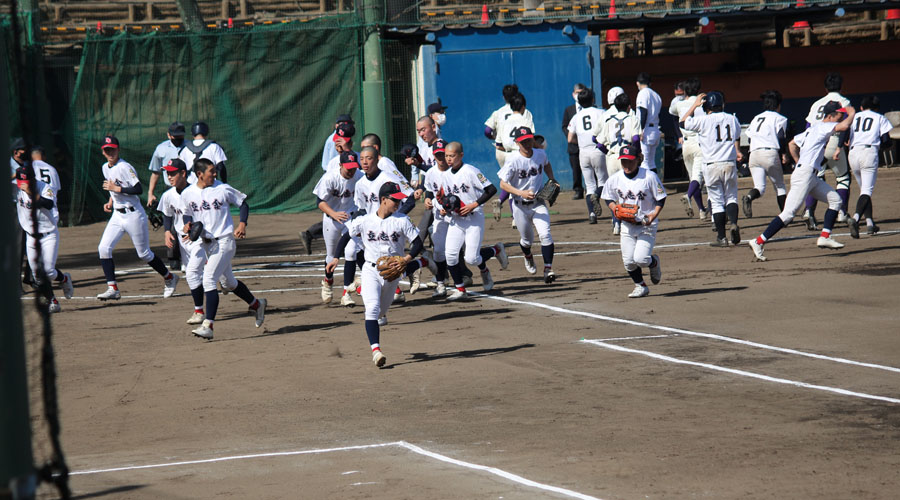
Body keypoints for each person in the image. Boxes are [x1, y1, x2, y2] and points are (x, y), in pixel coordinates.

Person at [326, 182, 436, 368]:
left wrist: (407, 258)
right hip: (370, 270)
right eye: (395, 200)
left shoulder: (402, 220)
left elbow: (417, 242)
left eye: (400, 200)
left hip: (393, 274)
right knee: (372, 308)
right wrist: (336, 257)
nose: (398, 204)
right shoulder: (365, 220)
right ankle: (376, 351)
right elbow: (346, 236)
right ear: (383, 200)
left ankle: (417, 265)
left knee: (381, 312)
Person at [748, 102, 855, 261]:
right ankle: (758, 241)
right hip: (805, 174)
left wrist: (799, 162)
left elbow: (792, 144)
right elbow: (844, 127)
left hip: (809, 174)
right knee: (788, 214)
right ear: (830, 115)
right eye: (839, 114)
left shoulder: (812, 129)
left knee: (835, 200)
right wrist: (851, 112)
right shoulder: (823, 127)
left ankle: (825, 236)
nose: (841, 117)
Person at [181, 158, 266, 339]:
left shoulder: (222, 188)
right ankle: (257, 305)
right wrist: (187, 226)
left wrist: (242, 224)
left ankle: (208, 326)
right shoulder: (188, 193)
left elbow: (243, 203)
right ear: (199, 174)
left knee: (209, 279)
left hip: (225, 241)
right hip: (207, 244)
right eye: (211, 171)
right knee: (229, 283)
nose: (215, 173)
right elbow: (186, 215)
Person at [442, 141, 507, 300]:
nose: (449, 159)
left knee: (471, 258)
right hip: (456, 220)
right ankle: (460, 289)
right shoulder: (446, 175)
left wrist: (474, 204)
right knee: (450, 255)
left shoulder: (470, 171)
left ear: (461, 155)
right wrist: (445, 208)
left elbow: (491, 189)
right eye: (446, 156)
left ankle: (495, 251)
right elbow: (447, 198)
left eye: (452, 156)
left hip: (474, 218)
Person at [355, 144, 416, 304]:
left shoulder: (389, 177)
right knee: (352, 251)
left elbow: (410, 197)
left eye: (368, 158)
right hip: (370, 225)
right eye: (362, 159)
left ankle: (410, 270)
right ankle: (362, 286)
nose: (365, 162)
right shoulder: (360, 183)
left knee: (392, 259)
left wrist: (398, 217)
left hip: (390, 225)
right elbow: (361, 209)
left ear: (377, 159)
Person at [680, 91, 743, 247]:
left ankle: (721, 238)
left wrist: (694, 105)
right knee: (731, 197)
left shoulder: (703, 120)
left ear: (707, 105)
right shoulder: (732, 118)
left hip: (711, 165)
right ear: (722, 104)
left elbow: (682, 123)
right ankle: (733, 223)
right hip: (729, 162)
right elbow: (736, 136)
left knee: (716, 201)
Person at [602, 144, 665, 298]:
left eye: (630, 161)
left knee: (641, 259)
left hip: (646, 224)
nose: (627, 165)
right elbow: (608, 197)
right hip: (627, 225)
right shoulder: (615, 178)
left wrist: (653, 216)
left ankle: (653, 263)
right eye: (624, 161)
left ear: (638, 159)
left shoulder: (649, 176)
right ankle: (641, 286)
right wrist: (615, 208)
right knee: (629, 261)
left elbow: (661, 198)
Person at [498, 126, 556, 283]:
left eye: (529, 140)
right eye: (523, 141)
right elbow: (503, 184)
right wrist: (520, 192)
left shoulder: (540, 154)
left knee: (545, 234)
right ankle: (528, 255)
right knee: (527, 240)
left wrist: (552, 178)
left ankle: (548, 269)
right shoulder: (513, 160)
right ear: (517, 142)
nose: (527, 143)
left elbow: (547, 163)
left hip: (538, 203)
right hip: (519, 205)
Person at [14, 166, 74, 312]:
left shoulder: (44, 188)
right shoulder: (15, 188)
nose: (23, 184)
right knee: (37, 275)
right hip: (30, 237)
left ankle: (64, 279)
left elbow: (48, 204)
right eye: (20, 181)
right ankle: (52, 301)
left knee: (48, 271)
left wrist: (30, 192)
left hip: (48, 235)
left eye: (26, 181)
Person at [158, 158, 208, 324]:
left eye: (173, 173)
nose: (169, 176)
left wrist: (192, 226)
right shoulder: (168, 195)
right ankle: (201, 306)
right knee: (191, 273)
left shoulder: (195, 192)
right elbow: (167, 214)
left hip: (198, 238)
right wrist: (166, 232)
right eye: (167, 173)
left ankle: (199, 310)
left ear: (183, 173)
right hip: (182, 239)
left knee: (196, 273)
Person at [803, 72, 852, 228]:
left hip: (817, 146)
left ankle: (808, 212)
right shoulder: (844, 102)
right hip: (833, 142)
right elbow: (845, 126)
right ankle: (841, 213)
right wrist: (840, 146)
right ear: (841, 86)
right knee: (843, 178)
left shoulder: (817, 103)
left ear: (825, 88)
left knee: (815, 179)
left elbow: (808, 127)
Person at [313, 150, 363, 305]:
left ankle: (347, 292)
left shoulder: (359, 176)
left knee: (351, 250)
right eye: (348, 167)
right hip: (331, 219)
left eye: (354, 167)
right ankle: (328, 282)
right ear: (341, 165)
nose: (351, 170)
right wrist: (333, 214)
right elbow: (320, 202)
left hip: (350, 218)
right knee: (331, 256)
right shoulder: (330, 177)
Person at [300, 122, 357, 255]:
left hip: (354, 213)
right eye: (337, 141)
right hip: (334, 212)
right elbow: (322, 197)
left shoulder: (359, 158)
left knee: (354, 251)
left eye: (342, 141)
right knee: (333, 254)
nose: (338, 144)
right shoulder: (333, 164)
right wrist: (332, 212)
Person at [594, 92, 641, 235]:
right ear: (628, 107)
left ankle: (616, 222)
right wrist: (637, 154)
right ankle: (630, 220)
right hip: (627, 157)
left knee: (614, 192)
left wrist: (608, 151)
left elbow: (596, 141)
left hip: (613, 158)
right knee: (630, 189)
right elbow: (636, 139)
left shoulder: (609, 121)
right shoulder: (632, 118)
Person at [846, 96, 893, 238]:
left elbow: (845, 133)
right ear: (877, 108)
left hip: (853, 153)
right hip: (868, 152)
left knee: (864, 191)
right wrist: (882, 147)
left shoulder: (855, 117)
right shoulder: (879, 117)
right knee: (866, 191)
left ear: (861, 107)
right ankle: (855, 218)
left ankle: (870, 223)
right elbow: (886, 140)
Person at [742, 90, 789, 218]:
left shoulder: (756, 118)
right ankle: (785, 216)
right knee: (779, 186)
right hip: (769, 152)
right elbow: (781, 137)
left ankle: (749, 197)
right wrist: (784, 153)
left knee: (759, 187)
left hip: (754, 153)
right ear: (778, 105)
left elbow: (749, 138)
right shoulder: (780, 118)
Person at [418, 139, 452, 297]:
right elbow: (430, 191)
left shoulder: (456, 170)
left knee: (466, 254)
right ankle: (441, 283)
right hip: (439, 217)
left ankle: (493, 253)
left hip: (459, 217)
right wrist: (427, 198)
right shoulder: (431, 172)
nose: (440, 158)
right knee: (438, 251)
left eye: (442, 154)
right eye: (437, 154)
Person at [567, 88, 606, 223]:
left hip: (583, 152)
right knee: (602, 181)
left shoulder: (576, 117)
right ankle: (597, 196)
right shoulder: (601, 112)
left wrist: (582, 141)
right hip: (598, 150)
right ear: (593, 100)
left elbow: (570, 138)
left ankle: (592, 215)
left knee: (589, 185)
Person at [670, 78, 707, 220]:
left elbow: (672, 113)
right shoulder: (702, 104)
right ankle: (688, 195)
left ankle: (702, 210)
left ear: (685, 91)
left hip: (686, 145)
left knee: (693, 179)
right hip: (699, 144)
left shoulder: (679, 105)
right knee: (698, 178)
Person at [486, 84, 535, 168]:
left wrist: (494, 137)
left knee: (506, 177)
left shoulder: (498, 112)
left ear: (504, 97)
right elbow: (530, 135)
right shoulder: (526, 112)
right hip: (521, 150)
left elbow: (487, 131)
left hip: (503, 151)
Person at [147, 121, 186, 207]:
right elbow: (155, 172)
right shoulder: (161, 149)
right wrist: (150, 193)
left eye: (180, 135)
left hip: (188, 188)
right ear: (169, 135)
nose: (178, 138)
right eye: (175, 136)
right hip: (170, 188)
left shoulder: (190, 146)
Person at [562, 83, 588, 199]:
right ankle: (578, 190)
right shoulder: (569, 110)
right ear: (573, 94)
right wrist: (572, 138)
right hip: (574, 146)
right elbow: (564, 126)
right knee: (576, 169)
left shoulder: (589, 109)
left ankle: (592, 190)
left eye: (581, 92)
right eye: (577, 93)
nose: (579, 95)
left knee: (590, 168)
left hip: (587, 145)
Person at [636, 72, 663, 173]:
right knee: (651, 163)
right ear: (650, 83)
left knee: (644, 162)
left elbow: (643, 112)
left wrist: (640, 130)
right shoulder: (656, 95)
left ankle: (649, 188)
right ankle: (656, 187)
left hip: (646, 129)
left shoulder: (643, 93)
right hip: (655, 128)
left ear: (637, 83)